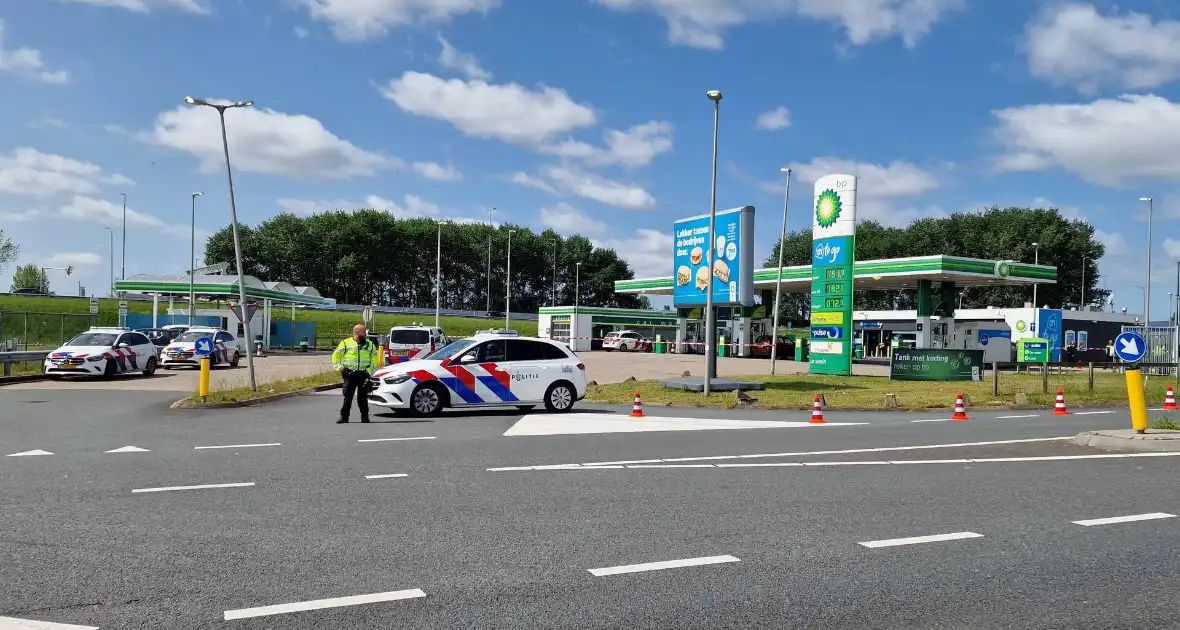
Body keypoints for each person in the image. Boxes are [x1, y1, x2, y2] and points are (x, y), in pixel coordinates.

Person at [332, 324, 378, 424]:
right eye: (363, 332)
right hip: (350, 374)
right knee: (348, 397)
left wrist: (369, 372)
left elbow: (374, 360)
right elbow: (335, 357)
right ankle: (344, 417)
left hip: (363, 375)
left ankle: (365, 417)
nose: (365, 334)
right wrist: (341, 369)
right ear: (356, 333)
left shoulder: (370, 344)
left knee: (362, 398)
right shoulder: (345, 343)